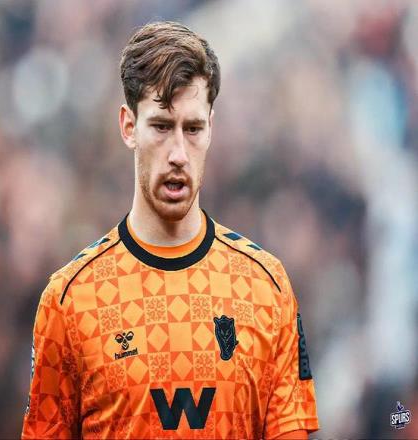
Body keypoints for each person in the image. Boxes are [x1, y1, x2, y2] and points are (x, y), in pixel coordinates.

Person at [21, 21, 320, 439]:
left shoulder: (266, 288)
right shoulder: (69, 301)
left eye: (192, 129)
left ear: (211, 128)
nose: (178, 153)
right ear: (129, 126)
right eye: (161, 126)